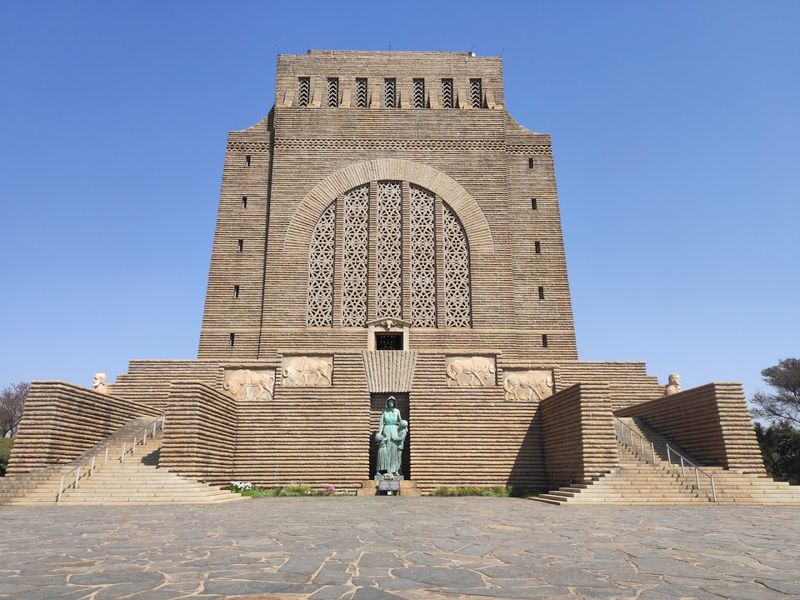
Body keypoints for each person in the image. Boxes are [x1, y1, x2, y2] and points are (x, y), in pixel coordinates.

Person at [376, 396, 407, 478]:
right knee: (385, 450)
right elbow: (382, 423)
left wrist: (405, 428)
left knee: (394, 451)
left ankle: (395, 470)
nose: (391, 403)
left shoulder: (397, 411)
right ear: (387, 403)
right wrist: (380, 433)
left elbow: (401, 421)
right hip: (386, 430)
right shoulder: (384, 411)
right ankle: (386, 470)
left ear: (394, 403)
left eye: (392, 402)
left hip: (394, 430)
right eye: (390, 402)